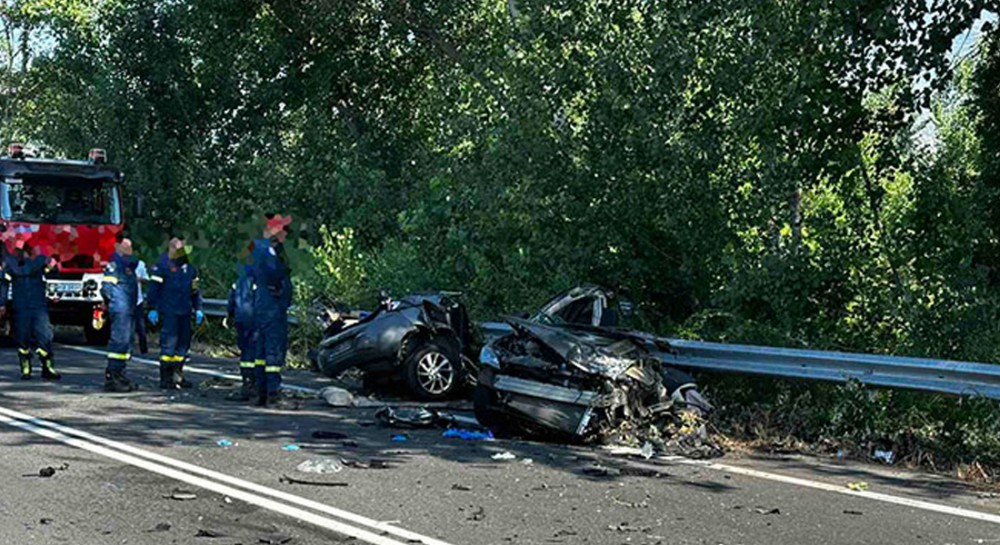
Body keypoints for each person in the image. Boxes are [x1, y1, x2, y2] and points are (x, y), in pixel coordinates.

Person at [146, 235, 204, 389]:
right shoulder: (161, 267)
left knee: (183, 345)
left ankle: (178, 374)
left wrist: (198, 308)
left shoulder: (190, 269)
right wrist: (152, 308)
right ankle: (166, 378)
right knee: (168, 346)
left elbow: (195, 291)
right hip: (169, 311)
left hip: (185, 311)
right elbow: (153, 290)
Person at [250, 214, 293, 407]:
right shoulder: (265, 250)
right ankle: (273, 393)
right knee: (273, 351)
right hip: (272, 307)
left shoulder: (265, 249)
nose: (285, 236)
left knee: (262, 351)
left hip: (265, 305)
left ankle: (262, 392)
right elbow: (274, 274)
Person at [3, 241, 60, 381]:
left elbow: (52, 274)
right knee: (22, 337)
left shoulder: (39, 261)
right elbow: (3, 284)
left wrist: (52, 267)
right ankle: (26, 367)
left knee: (45, 336)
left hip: (38, 305)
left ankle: (47, 367)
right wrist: (2, 303)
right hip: (21, 305)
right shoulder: (11, 264)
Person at [100, 235, 140, 392]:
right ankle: (113, 376)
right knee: (119, 341)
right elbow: (107, 288)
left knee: (126, 342)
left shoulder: (129, 267)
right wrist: (115, 302)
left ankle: (121, 374)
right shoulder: (114, 266)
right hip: (120, 309)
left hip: (129, 309)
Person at [226, 263, 257, 401]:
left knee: (246, 352)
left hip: (241, 319)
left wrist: (230, 316)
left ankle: (247, 382)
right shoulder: (260, 280)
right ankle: (254, 384)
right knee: (255, 351)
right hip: (255, 320)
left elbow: (231, 300)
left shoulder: (239, 281)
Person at [134, 257, 149, 354]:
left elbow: (147, 279)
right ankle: (127, 348)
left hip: (137, 300)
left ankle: (144, 349)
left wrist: (138, 279)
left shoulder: (140, 264)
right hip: (125, 301)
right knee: (127, 327)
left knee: (141, 327)